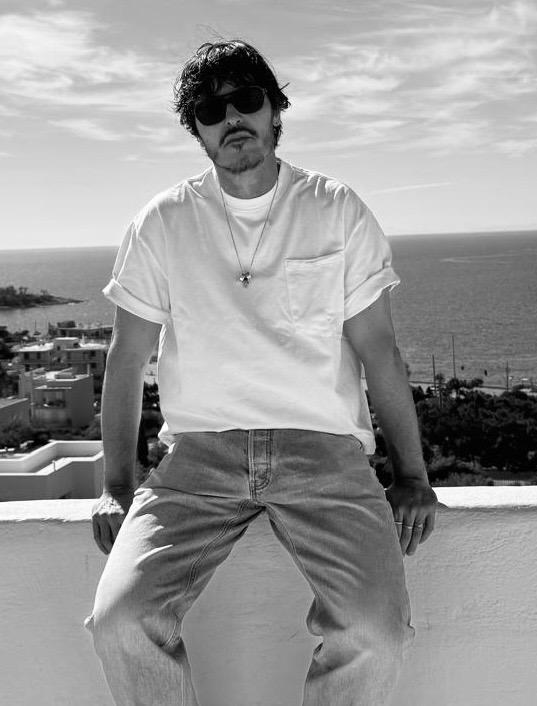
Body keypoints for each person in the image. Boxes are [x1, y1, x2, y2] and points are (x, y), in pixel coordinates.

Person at [85, 39, 438, 706]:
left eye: (246, 99)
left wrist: (413, 478)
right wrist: (116, 485)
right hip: (199, 459)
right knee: (120, 621)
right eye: (210, 111)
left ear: (276, 111)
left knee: (376, 632)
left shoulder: (335, 208)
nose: (231, 118)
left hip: (325, 454)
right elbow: (128, 359)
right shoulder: (162, 221)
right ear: (196, 131)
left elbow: (379, 351)